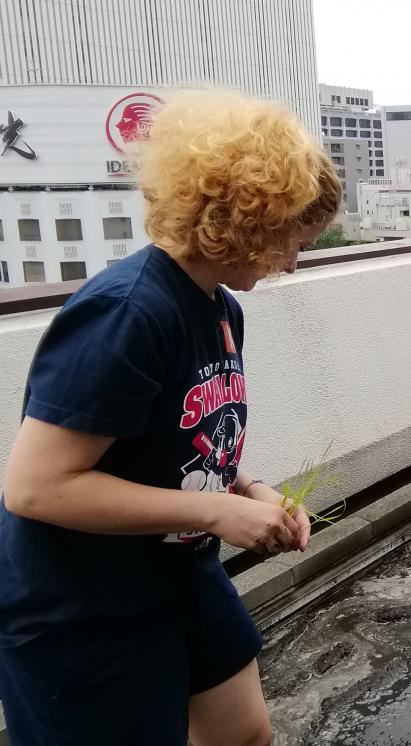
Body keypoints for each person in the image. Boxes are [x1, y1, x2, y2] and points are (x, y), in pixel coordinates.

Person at [0, 91, 340, 746]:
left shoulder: (219, 309)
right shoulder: (128, 313)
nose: (293, 263)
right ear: (247, 221)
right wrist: (216, 514)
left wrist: (248, 491)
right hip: (83, 605)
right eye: (292, 242)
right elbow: (34, 488)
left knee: (245, 734)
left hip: (176, 573)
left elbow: (187, 443)